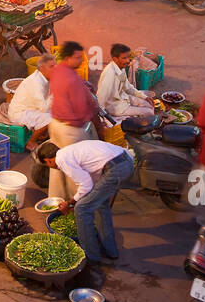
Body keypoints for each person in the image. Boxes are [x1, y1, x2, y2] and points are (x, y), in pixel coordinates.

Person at [38, 138, 134, 266]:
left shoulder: (62, 159)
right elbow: (92, 182)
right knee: (101, 204)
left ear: (48, 160)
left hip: (115, 168)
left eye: (48, 165)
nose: (51, 167)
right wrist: (78, 199)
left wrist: (71, 203)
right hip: (124, 161)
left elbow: (86, 185)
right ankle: (110, 251)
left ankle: (91, 256)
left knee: (82, 209)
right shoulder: (70, 151)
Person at [47, 41, 107, 197]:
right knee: (77, 172)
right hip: (70, 131)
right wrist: (98, 129)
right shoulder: (73, 80)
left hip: (55, 125)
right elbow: (85, 109)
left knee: (57, 167)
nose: (81, 60)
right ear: (67, 58)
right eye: (78, 57)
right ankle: (79, 205)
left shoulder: (57, 71)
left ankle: (56, 200)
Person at [97, 44, 155, 124]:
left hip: (124, 98)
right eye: (124, 58)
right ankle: (141, 131)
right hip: (116, 107)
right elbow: (101, 98)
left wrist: (145, 97)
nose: (128, 61)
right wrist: (101, 119)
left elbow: (128, 88)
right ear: (115, 59)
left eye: (128, 57)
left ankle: (140, 121)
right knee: (149, 112)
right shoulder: (109, 74)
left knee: (150, 104)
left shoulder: (121, 68)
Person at [7, 52, 55, 144]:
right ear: (42, 68)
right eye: (51, 67)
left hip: (34, 108)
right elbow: (44, 108)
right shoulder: (36, 83)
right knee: (52, 118)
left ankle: (41, 134)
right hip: (19, 113)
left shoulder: (45, 78)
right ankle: (31, 142)